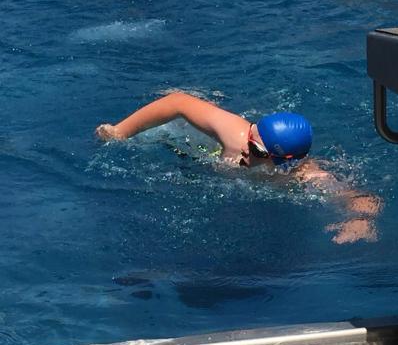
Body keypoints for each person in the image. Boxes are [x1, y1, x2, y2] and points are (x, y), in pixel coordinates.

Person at [96, 91, 381, 244]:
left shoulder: (303, 175)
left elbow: (361, 197)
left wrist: (361, 220)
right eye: (250, 138)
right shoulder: (237, 134)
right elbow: (178, 101)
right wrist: (120, 132)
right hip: (201, 150)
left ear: (283, 162)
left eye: (256, 151)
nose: (246, 149)